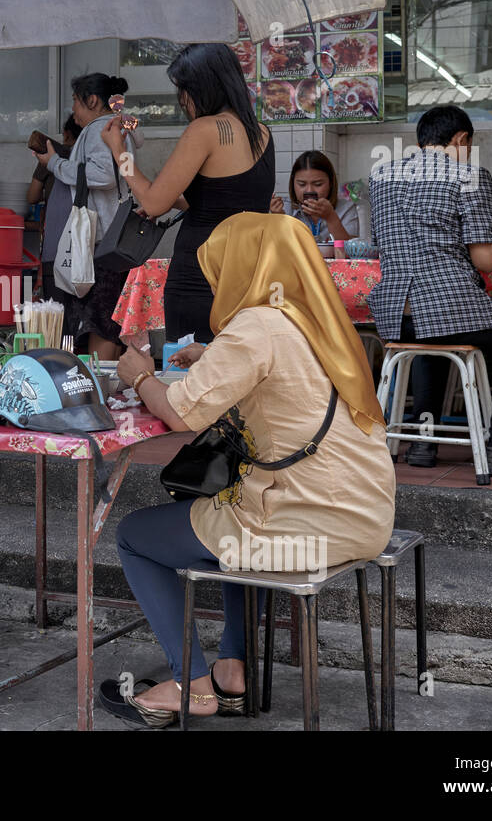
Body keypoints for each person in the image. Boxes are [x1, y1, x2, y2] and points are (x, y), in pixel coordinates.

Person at [108, 212, 395, 724]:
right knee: (225, 515)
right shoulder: (317, 321)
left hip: (303, 523)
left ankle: (193, 685)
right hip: (367, 518)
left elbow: (178, 412)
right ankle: (232, 670)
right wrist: (217, 355)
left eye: (221, 267)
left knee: (134, 534)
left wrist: (139, 376)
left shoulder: (257, 325)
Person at [367, 105, 492, 476]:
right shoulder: (470, 174)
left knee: (431, 344)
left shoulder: (381, 176)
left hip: (396, 314)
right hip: (449, 304)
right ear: (461, 139)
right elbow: (486, 260)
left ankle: (422, 445)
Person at [101, 43, 273, 344]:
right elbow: (222, 200)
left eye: (183, 89)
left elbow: (153, 202)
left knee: (193, 375)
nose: (181, 99)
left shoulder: (205, 129)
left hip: (200, 275)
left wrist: (120, 153)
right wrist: (169, 201)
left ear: (202, 87)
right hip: (249, 275)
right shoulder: (262, 132)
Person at [34, 73, 137, 359]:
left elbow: (103, 173)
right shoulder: (120, 126)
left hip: (100, 239)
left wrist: (55, 163)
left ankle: (98, 392)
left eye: (75, 102)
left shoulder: (96, 129)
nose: (73, 111)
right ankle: (109, 390)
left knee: (101, 320)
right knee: (111, 319)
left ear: (92, 100)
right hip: (116, 238)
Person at [26, 115, 81, 293]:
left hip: (55, 230)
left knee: (54, 283)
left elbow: (32, 196)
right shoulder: (89, 157)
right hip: (85, 229)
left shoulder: (51, 157)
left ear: (66, 133)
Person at [269, 150, 359, 243]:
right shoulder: (284, 208)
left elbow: (350, 252)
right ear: (293, 183)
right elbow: (278, 249)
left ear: (331, 183)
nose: (309, 190)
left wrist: (331, 217)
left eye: (318, 184)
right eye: (302, 184)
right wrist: (279, 219)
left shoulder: (346, 209)